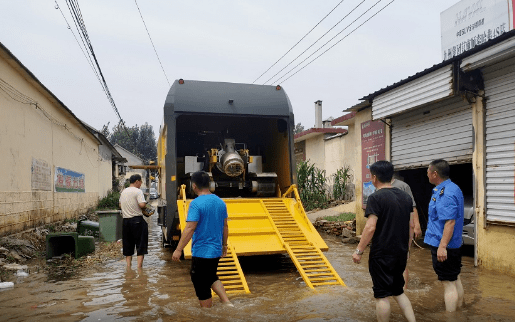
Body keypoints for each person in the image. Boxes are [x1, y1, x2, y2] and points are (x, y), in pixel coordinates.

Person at [353, 161, 416, 322]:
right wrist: (407, 249)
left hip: (382, 254)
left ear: (374, 178)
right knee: (398, 291)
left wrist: (359, 251)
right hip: (401, 252)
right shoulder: (406, 197)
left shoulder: (375, 197)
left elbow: (370, 228)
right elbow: (411, 225)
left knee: (382, 295)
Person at [171, 171, 233, 308]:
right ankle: (227, 303)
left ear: (193, 186)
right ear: (209, 184)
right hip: (216, 250)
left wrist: (178, 249)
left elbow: (189, 228)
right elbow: (225, 226)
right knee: (210, 276)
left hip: (202, 251)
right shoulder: (220, 202)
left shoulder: (196, 204)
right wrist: (224, 246)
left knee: (198, 279)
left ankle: (207, 312)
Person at [424, 159, 464, 312]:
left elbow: (450, 222)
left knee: (448, 283)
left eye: (428, 171)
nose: (426, 174)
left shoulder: (445, 193)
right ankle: (460, 310)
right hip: (454, 243)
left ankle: (450, 317)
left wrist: (442, 246)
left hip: (444, 244)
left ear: (435, 173)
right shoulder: (454, 188)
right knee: (455, 278)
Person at [391, 175, 421, 289]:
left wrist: (416, 225)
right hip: (388, 229)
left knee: (403, 260)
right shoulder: (379, 187)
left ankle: (403, 289)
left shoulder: (403, 186)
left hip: (403, 228)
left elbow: (412, 207)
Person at [119, 174, 148, 269]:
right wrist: (145, 205)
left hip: (125, 222)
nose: (141, 184)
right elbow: (142, 205)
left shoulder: (123, 191)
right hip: (137, 221)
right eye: (140, 182)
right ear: (137, 181)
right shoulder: (138, 191)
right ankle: (139, 268)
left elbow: (120, 205)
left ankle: (128, 267)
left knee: (127, 244)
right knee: (140, 244)